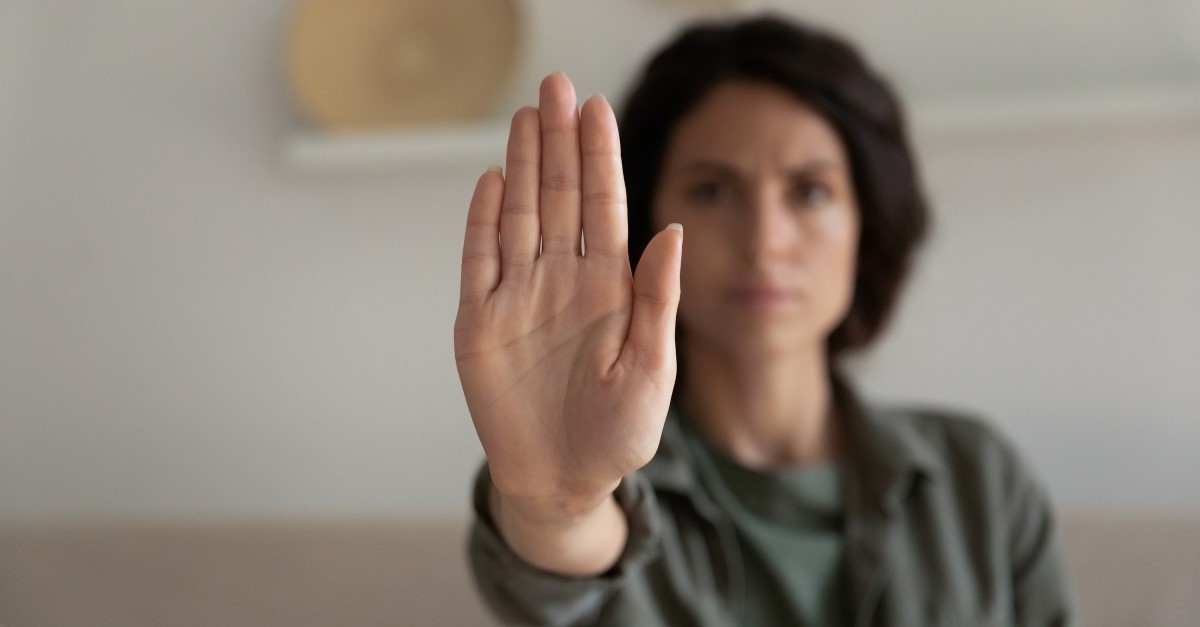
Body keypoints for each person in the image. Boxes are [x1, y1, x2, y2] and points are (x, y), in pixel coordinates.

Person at [453, 14, 1074, 627]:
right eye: (713, 191)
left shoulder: (979, 481)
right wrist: (560, 508)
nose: (764, 242)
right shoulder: (591, 452)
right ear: (645, 219)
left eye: (809, 193)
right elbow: (566, 569)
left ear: (869, 224)